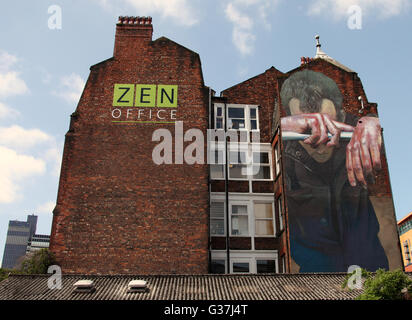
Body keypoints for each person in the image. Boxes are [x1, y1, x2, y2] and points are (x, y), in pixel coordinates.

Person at [280, 70, 388, 272]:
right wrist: (282, 127)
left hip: (370, 270)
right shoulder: (282, 149)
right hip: (315, 279)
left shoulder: (356, 133)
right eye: (307, 130)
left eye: (329, 128)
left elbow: (369, 122)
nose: (320, 143)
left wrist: (371, 121)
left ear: (341, 117)